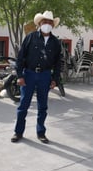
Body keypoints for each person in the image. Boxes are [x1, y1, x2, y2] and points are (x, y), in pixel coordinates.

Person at [11, 10, 62, 144]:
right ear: (39, 23)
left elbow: (58, 63)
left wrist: (55, 79)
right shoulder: (30, 37)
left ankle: (41, 133)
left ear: (53, 25)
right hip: (29, 74)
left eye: (50, 22)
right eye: (45, 22)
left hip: (45, 76)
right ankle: (18, 132)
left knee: (42, 106)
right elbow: (21, 57)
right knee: (23, 105)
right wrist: (20, 75)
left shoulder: (56, 42)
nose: (47, 24)